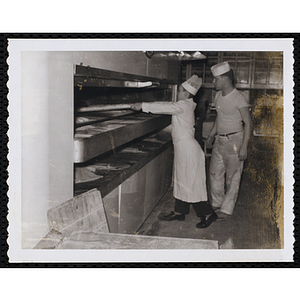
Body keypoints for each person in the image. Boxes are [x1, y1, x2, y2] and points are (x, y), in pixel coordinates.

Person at [131, 75, 217, 229]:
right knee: (181, 179)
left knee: (193, 183)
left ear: (186, 93)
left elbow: (166, 107)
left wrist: (142, 105)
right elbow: (167, 104)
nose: (178, 92)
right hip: (183, 148)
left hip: (189, 150)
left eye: (181, 90)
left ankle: (209, 214)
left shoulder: (184, 105)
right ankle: (180, 212)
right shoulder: (184, 104)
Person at [206, 62, 252, 220]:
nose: (214, 83)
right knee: (214, 174)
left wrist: (244, 147)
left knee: (232, 177)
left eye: (216, 79)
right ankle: (217, 203)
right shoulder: (218, 95)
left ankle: (226, 209)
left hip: (235, 140)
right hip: (220, 139)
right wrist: (211, 135)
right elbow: (220, 118)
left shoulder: (238, 98)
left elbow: (248, 123)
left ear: (225, 79)